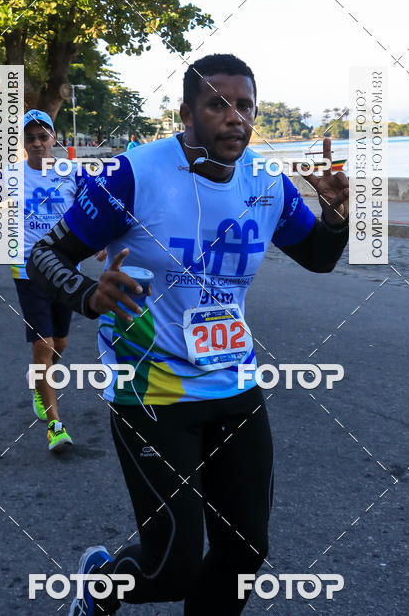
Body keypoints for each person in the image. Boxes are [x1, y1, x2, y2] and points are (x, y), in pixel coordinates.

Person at [27, 54, 349, 615]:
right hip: (150, 388)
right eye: (217, 105)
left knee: (244, 551)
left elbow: (319, 259)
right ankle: (101, 582)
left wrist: (337, 217)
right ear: (187, 113)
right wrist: (87, 295)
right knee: (172, 567)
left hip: (235, 384)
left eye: (245, 106)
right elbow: (43, 254)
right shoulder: (133, 174)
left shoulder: (267, 185)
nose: (235, 118)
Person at [0, 109, 80, 452]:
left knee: (60, 343)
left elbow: (93, 212)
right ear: (22, 142)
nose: (38, 143)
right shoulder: (9, 176)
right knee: (42, 344)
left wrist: (101, 243)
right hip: (28, 267)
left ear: (54, 138)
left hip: (65, 267)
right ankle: (55, 424)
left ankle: (38, 381)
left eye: (43, 136)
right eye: (30, 138)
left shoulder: (72, 173)